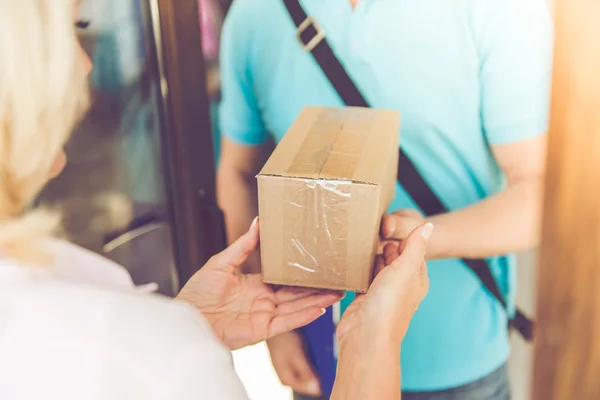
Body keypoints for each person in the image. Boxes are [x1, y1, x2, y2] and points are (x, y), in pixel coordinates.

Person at [0, 1, 430, 399]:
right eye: (69, 33)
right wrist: (370, 345)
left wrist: (190, 321)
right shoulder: (146, 358)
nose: (85, 63)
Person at [217, 0, 553, 398]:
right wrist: (275, 329)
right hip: (320, 354)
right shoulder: (255, 14)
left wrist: (421, 240)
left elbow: (540, 195)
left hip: (453, 363)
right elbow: (239, 171)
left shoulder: (497, 9)